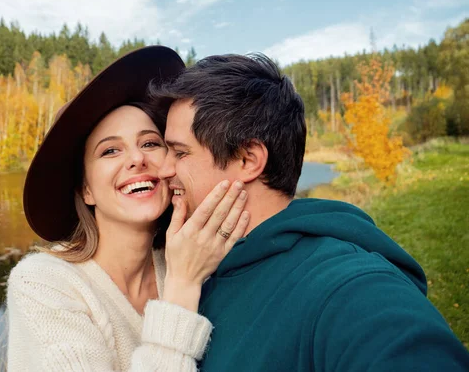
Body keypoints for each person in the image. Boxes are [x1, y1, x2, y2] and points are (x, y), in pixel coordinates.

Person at [149, 52, 469, 371]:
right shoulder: (200, 270)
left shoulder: (350, 289)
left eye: (180, 152)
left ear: (248, 159)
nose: (163, 169)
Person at [6, 46, 250, 372]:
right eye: (110, 151)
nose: (137, 159)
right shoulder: (43, 283)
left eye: (150, 143)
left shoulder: (190, 254)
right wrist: (183, 287)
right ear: (86, 189)